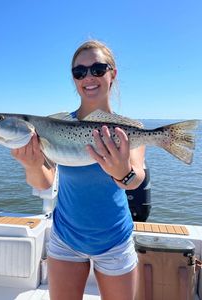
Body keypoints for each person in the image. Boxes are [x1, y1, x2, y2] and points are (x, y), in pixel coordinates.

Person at [11, 40, 145, 300]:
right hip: (66, 239)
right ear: (74, 79)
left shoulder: (129, 129)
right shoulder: (55, 126)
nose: (88, 77)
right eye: (79, 72)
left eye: (97, 69)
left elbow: (135, 178)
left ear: (112, 74)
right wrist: (32, 164)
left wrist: (121, 172)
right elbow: (44, 183)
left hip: (115, 240)